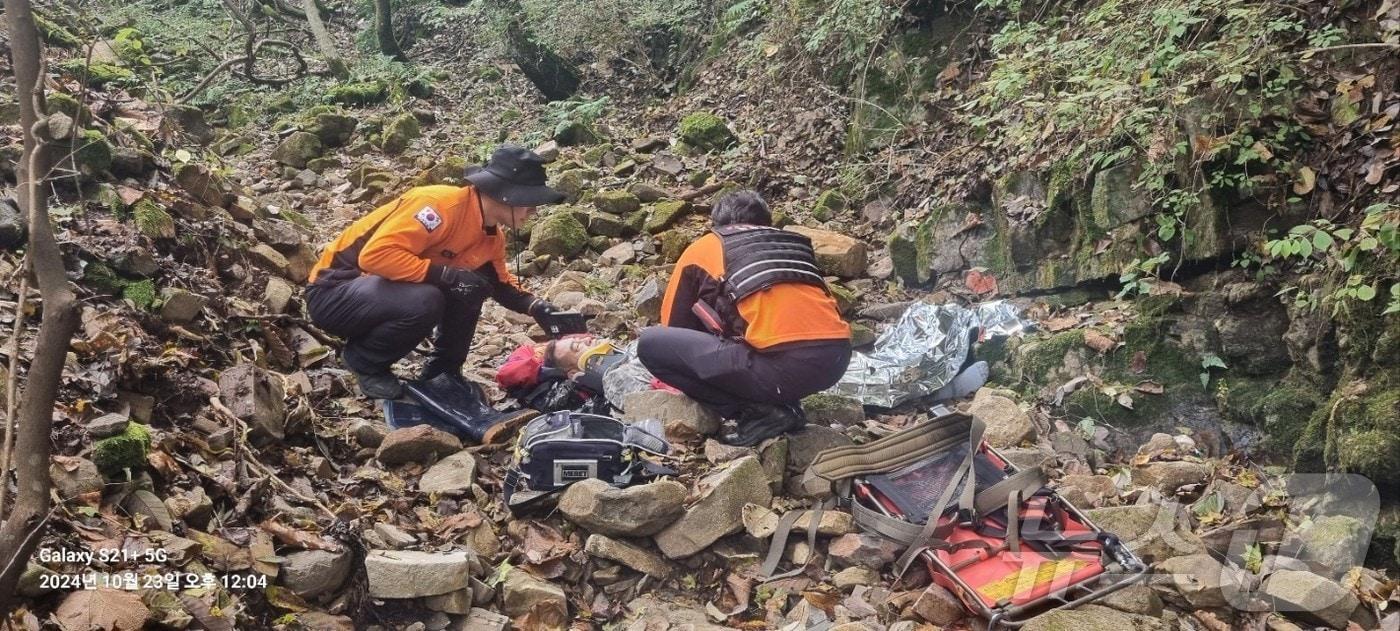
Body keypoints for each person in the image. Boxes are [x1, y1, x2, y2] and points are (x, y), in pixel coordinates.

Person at [305, 145, 565, 399]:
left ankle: (444, 371)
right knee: (429, 297)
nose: (533, 211)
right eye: (530, 202)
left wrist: (537, 306)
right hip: (333, 293)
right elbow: (375, 256)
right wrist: (447, 276)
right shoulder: (438, 206)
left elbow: (499, 284)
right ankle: (364, 360)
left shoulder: (491, 238)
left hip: (376, 296)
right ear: (506, 194)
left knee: (473, 286)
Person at [637, 190, 853, 446]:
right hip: (836, 360)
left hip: (781, 368)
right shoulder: (792, 245)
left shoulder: (708, 245)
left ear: (716, 224)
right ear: (767, 223)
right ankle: (780, 402)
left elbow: (673, 326)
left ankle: (759, 412)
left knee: (650, 344)